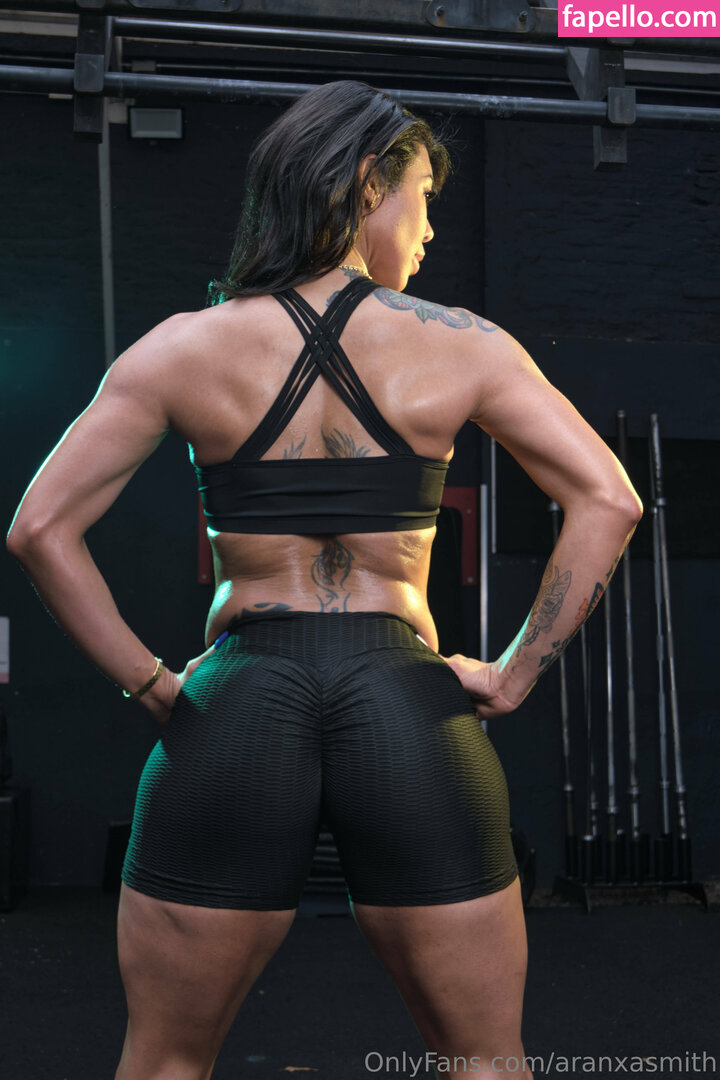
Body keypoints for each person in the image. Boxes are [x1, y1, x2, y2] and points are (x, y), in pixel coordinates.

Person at [7, 80, 641, 1080]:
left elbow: (39, 528)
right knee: (485, 1062)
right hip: (406, 699)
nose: (427, 231)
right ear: (367, 183)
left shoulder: (182, 348)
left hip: (236, 700)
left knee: (164, 1060)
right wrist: (512, 674)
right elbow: (610, 500)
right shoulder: (463, 345)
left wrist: (154, 685)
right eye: (422, 198)